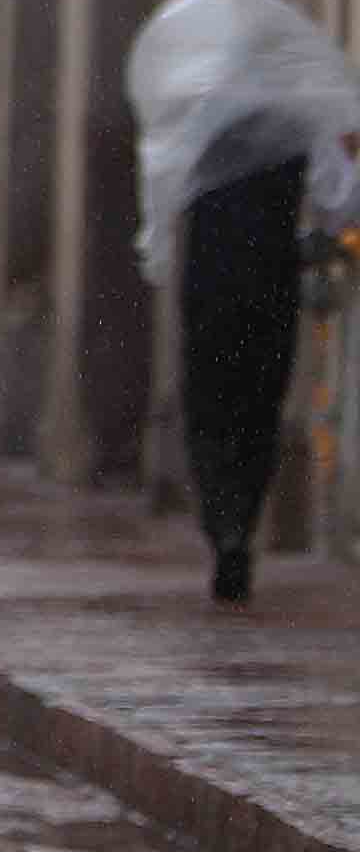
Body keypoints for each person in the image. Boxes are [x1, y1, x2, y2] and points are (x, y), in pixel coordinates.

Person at [182, 154, 312, 605]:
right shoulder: (292, 126)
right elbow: (331, 187)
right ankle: (240, 523)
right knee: (260, 407)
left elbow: (165, 174)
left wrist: (156, 245)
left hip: (211, 274)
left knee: (210, 404)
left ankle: (224, 524)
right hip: (273, 274)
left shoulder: (204, 125)